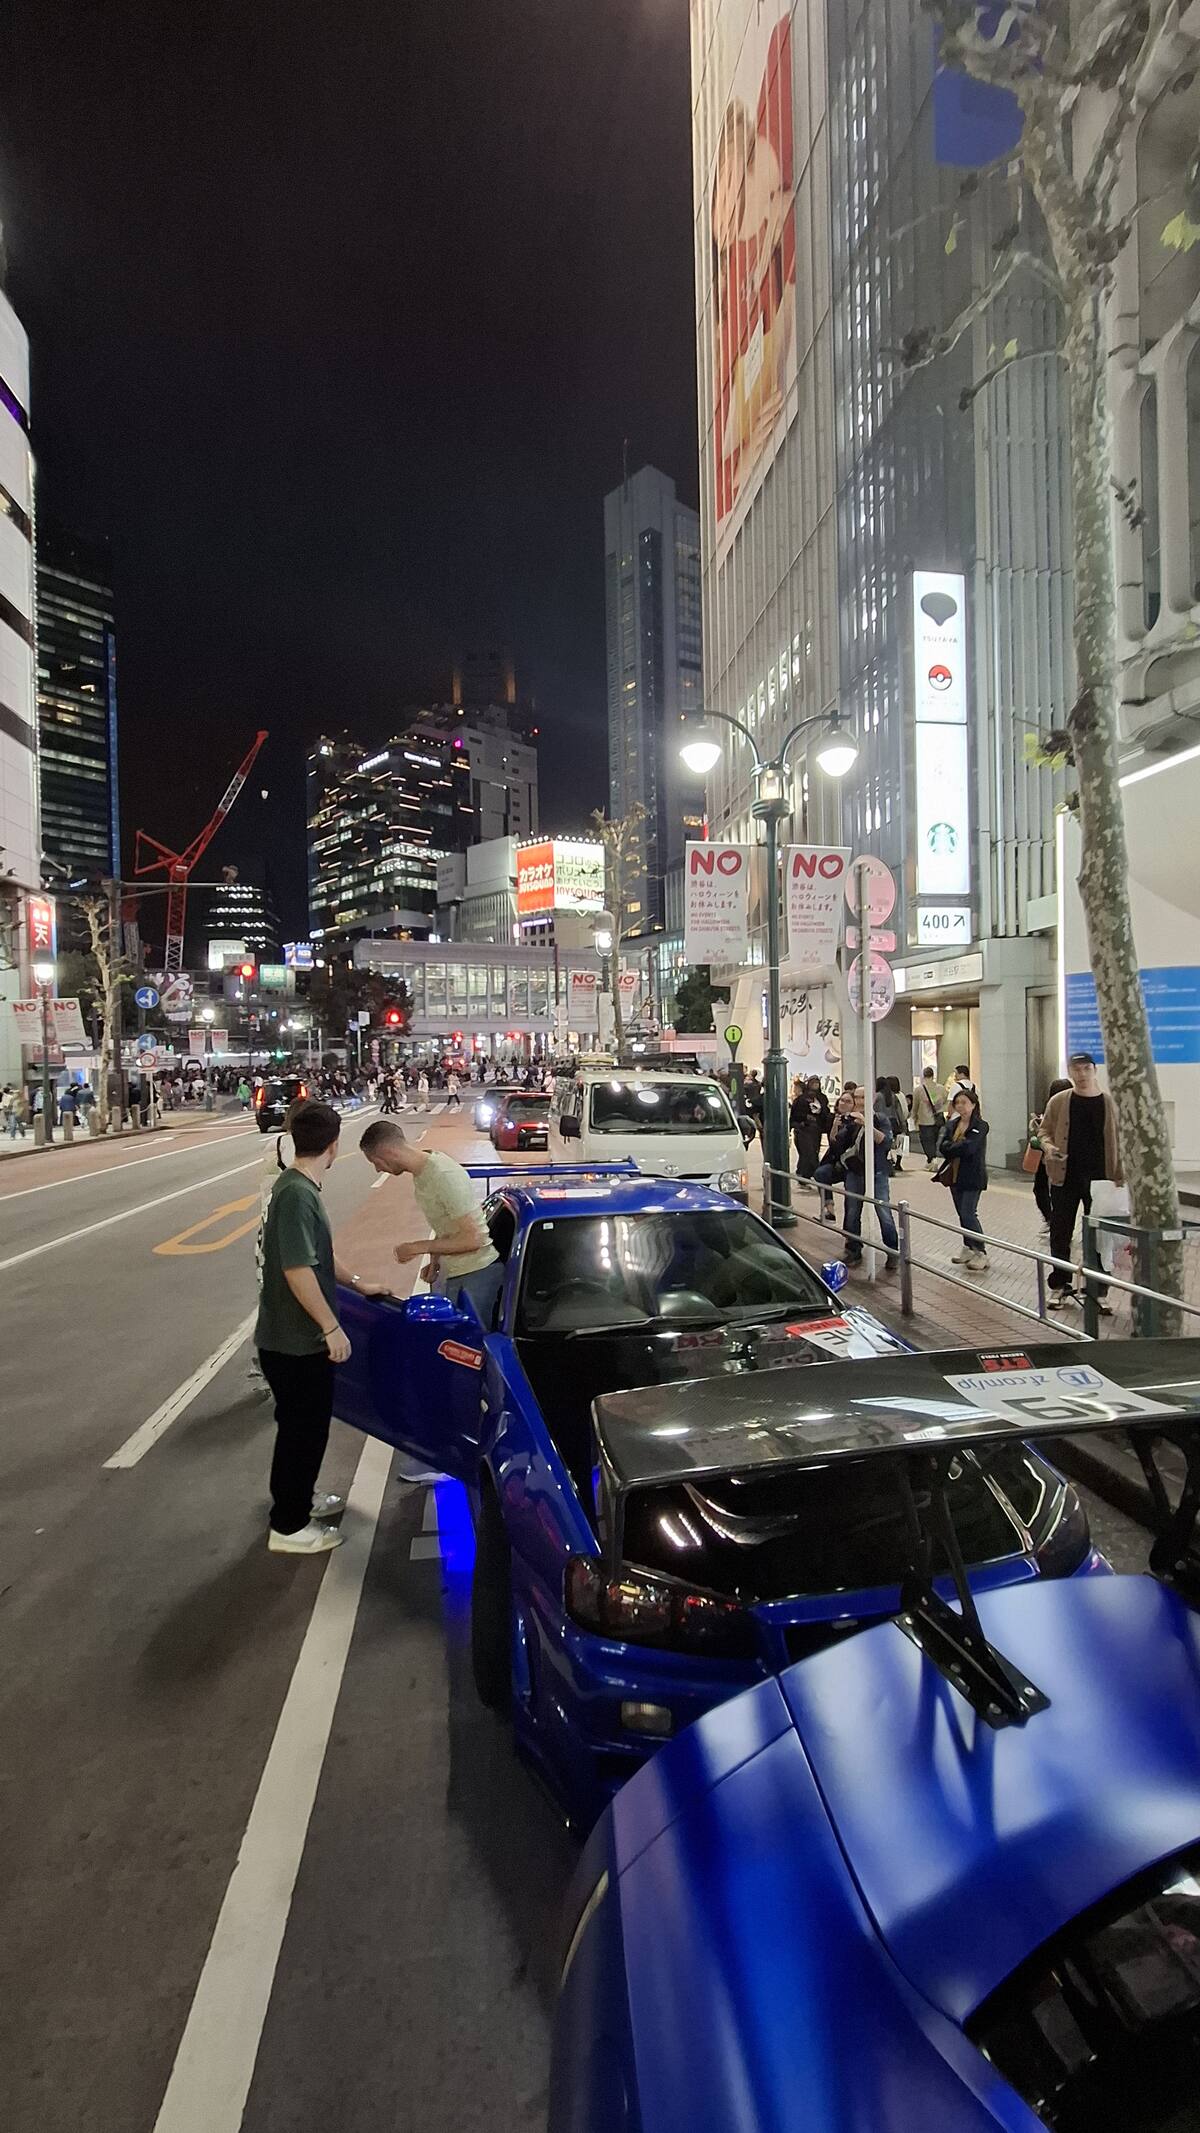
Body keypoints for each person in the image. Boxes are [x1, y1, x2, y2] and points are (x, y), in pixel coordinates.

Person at [255, 1099, 388, 1554]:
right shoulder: (296, 1194)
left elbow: (319, 1257)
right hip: (293, 1343)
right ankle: (288, 1525)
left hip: (292, 1339)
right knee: (301, 1432)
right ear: (334, 1146)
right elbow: (298, 1269)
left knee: (306, 1429)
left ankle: (301, 1500)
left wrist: (355, 1282)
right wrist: (332, 1327)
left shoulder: (298, 1188)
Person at [359, 1117, 502, 1323]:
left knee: (468, 1345)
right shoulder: (423, 1173)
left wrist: (418, 1247)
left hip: (475, 1275)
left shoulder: (442, 1175)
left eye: (376, 1162)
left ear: (388, 1153)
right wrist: (435, 1261)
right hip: (457, 1272)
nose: (378, 1169)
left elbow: (474, 1239)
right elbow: (445, 1223)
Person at [1040, 1054, 1122, 1312]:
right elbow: (1044, 1130)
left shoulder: (1109, 1104)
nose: (1083, 1073)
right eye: (1077, 1068)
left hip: (1101, 1180)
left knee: (1100, 1237)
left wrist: (1121, 1176)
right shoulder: (1060, 1101)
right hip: (1065, 1177)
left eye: (1087, 1068)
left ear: (1095, 1070)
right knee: (1060, 1231)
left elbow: (1122, 1141)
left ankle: (1098, 1291)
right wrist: (1049, 1146)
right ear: (1071, 1071)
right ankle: (1060, 1285)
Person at [841, 1087, 900, 1270]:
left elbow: (885, 1141)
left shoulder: (880, 1119)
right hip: (855, 1171)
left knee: (883, 1211)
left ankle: (893, 1251)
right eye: (857, 1097)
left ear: (873, 1099)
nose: (860, 1101)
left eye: (863, 1097)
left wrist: (866, 1123)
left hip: (877, 1171)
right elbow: (839, 1142)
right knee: (852, 1210)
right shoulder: (851, 1120)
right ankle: (853, 1249)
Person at [938, 1089, 990, 1273]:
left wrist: (953, 1147)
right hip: (954, 1175)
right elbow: (942, 1146)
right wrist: (955, 1147)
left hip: (973, 1176)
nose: (961, 1106)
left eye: (965, 1102)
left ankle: (980, 1251)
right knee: (962, 1213)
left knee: (969, 1213)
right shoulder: (952, 1124)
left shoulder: (981, 1125)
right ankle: (968, 1247)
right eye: (957, 1102)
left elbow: (970, 1147)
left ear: (973, 1104)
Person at [1029, 1077, 1071, 1235]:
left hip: (1055, 1157)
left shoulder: (1057, 1108)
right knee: (1047, 1190)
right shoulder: (1051, 1108)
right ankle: (1053, 1221)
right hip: (1048, 1156)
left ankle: (1053, 1221)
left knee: (1048, 1190)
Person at [790, 1075, 831, 1182]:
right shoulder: (801, 1099)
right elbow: (795, 1114)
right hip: (803, 1130)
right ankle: (806, 1174)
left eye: (817, 1084)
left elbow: (825, 1112)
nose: (815, 1086)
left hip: (816, 1130)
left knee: (814, 1151)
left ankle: (806, 1173)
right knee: (807, 1152)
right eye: (813, 1083)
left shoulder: (822, 1098)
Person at [910, 1067, 942, 1166]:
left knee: (926, 1140)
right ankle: (932, 1158)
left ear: (924, 1076)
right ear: (933, 1075)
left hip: (924, 1120)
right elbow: (945, 1101)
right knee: (934, 1139)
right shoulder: (940, 1088)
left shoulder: (919, 1089)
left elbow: (915, 1105)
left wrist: (913, 1117)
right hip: (938, 1119)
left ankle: (932, 1158)